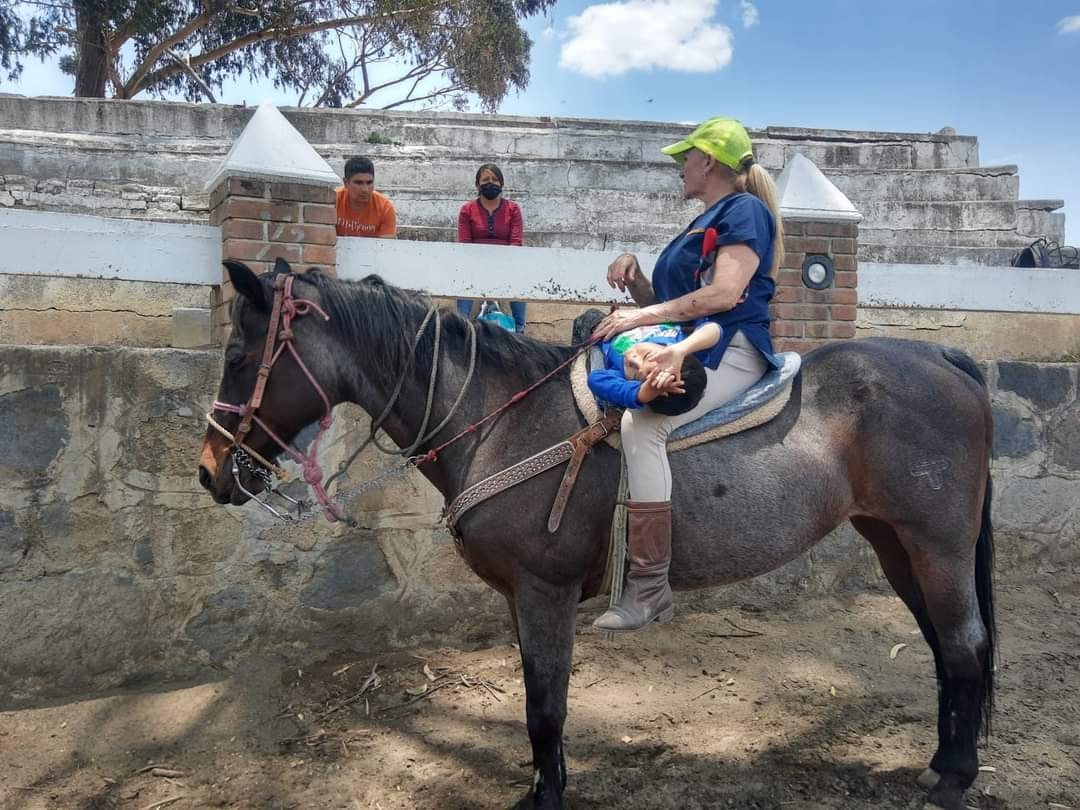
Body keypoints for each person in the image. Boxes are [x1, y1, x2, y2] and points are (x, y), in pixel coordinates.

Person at [591, 117, 785, 633]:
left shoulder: (745, 211)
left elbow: (722, 297)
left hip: (733, 349)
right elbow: (671, 306)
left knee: (644, 425)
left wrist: (641, 318)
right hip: (689, 343)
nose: (680, 167)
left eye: (687, 157)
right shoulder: (706, 218)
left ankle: (650, 590)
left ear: (711, 162)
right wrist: (637, 286)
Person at [587, 321, 721, 416]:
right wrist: (682, 349)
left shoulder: (620, 375)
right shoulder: (679, 341)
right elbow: (714, 329)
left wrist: (641, 394)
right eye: (647, 356)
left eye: (635, 375)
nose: (632, 359)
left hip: (602, 332)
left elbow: (595, 379)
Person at [455, 164, 527, 333]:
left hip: (507, 264)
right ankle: (460, 328)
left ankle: (520, 330)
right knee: (461, 279)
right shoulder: (467, 210)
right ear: (478, 185)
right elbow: (465, 243)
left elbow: (516, 243)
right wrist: (480, 266)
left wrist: (502, 266)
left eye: (495, 179)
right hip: (474, 264)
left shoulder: (513, 209)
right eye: (485, 180)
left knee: (522, 280)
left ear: (501, 183)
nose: (490, 183)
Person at [335, 156, 397, 238]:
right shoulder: (333, 201)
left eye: (369, 183)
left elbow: (386, 246)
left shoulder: (385, 208)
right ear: (346, 183)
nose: (365, 189)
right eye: (358, 183)